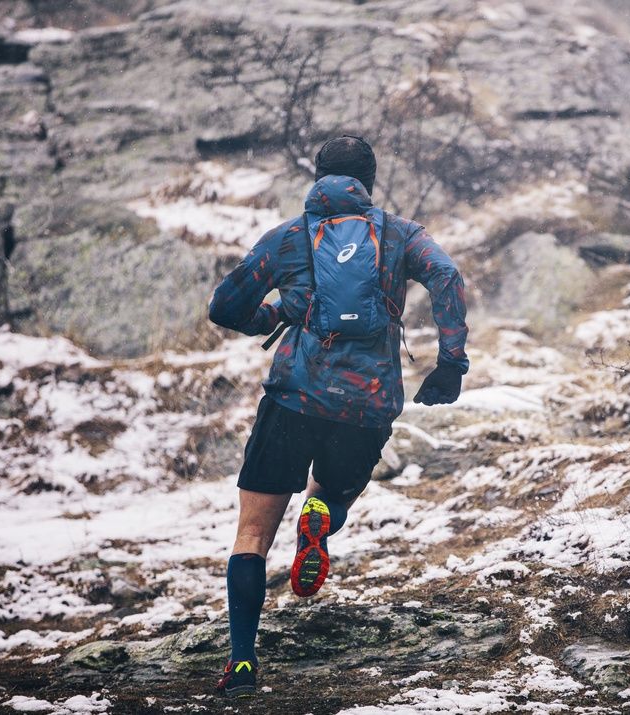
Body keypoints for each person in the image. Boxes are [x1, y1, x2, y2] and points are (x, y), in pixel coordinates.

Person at [208, 135, 469, 698]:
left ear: (318, 178)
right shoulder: (400, 235)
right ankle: (321, 515)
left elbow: (223, 308)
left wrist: (274, 314)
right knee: (330, 494)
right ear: (368, 182)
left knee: (252, 532)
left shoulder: (288, 238)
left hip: (292, 399)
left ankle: (243, 661)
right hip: (367, 405)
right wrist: (450, 363)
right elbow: (447, 277)